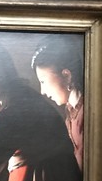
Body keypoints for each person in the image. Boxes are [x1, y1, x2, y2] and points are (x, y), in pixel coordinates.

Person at [31, 35, 85, 171]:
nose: (42, 91)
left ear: (66, 75)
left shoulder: (86, 113)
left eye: (43, 81)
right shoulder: (71, 110)